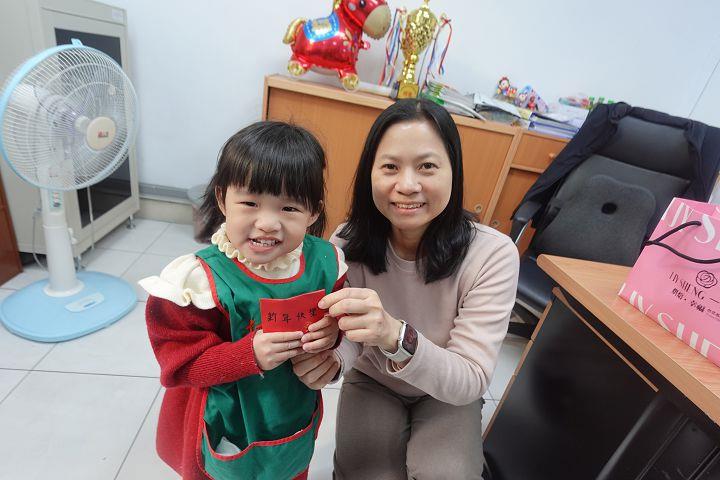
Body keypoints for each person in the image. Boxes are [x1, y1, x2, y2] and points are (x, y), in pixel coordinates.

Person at [292, 99, 520, 479]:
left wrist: (395, 335)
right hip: (374, 380)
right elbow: (346, 336)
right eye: (390, 167)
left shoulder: (492, 254)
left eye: (427, 166)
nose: (408, 185)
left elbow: (470, 376)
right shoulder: (347, 242)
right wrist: (331, 359)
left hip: (446, 391)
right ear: (370, 173)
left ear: (453, 171)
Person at [139, 121, 347, 480]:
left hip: (290, 413)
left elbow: (337, 319)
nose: (267, 223)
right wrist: (246, 355)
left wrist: (331, 336)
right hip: (225, 418)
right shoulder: (199, 281)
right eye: (250, 203)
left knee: (288, 470)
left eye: (289, 208)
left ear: (313, 212)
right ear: (223, 199)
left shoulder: (327, 263)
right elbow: (179, 365)